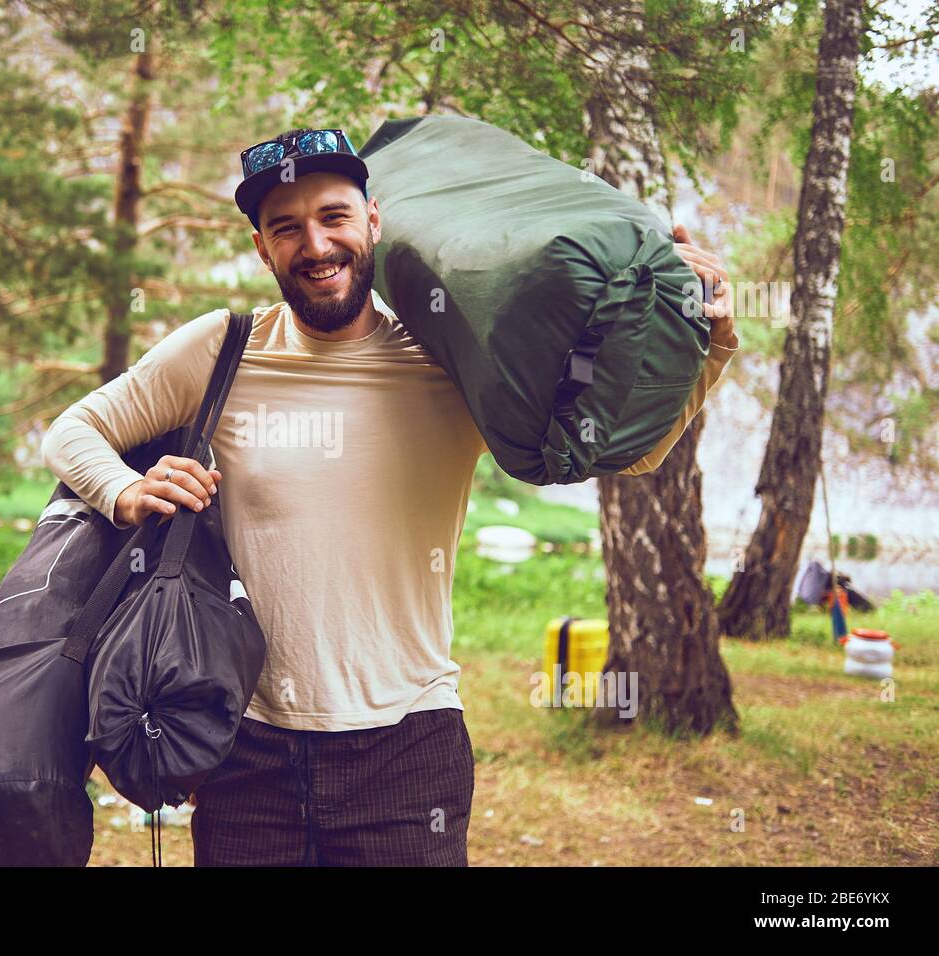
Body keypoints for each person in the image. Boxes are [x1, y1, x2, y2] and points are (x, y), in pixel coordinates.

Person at [42, 126, 739, 866]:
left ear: (374, 220)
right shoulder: (225, 347)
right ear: (262, 248)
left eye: (334, 217)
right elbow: (74, 429)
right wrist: (124, 489)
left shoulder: (451, 361)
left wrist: (710, 340)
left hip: (410, 748)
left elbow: (620, 453)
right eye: (287, 227)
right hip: (248, 751)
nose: (316, 245)